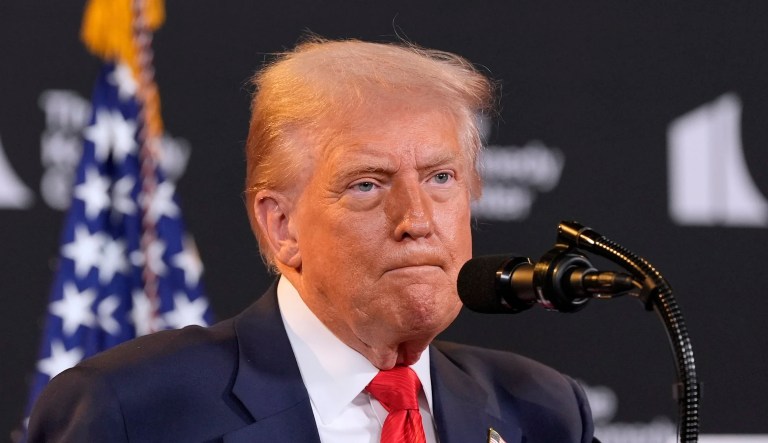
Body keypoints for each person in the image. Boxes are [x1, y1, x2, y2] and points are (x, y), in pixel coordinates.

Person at [28, 37, 596, 443]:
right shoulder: (132, 411)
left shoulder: (543, 411)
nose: (416, 219)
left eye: (440, 178)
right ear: (282, 227)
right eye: (368, 184)